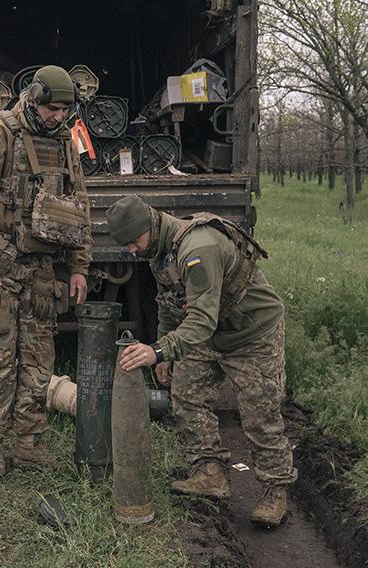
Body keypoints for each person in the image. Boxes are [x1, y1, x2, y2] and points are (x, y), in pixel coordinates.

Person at [106, 195, 296, 527]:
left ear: (150, 225)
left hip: (251, 332)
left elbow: (200, 322)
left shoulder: (198, 249)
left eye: (134, 242)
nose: (132, 251)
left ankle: (275, 489)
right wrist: (165, 350)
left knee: (259, 413)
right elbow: (168, 301)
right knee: (187, 394)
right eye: (128, 246)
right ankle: (209, 472)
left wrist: (159, 350)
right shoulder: (161, 251)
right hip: (210, 331)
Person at [0, 65, 91, 477]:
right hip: (2, 267)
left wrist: (79, 267)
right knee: (0, 356)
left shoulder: (66, 141)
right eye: (52, 108)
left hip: (44, 271)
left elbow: (78, 207)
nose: (58, 116)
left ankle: (29, 442)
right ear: (32, 98)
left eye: (65, 109)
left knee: (39, 360)